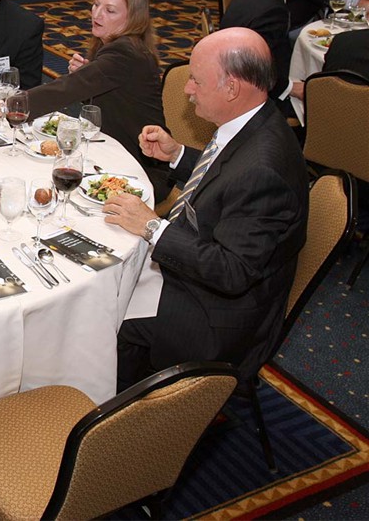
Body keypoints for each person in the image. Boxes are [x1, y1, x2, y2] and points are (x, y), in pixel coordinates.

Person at [102, 28, 308, 391]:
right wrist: (178, 155)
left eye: (196, 80)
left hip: (215, 314)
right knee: (105, 274)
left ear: (232, 89)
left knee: (99, 313)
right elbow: (228, 178)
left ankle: (115, 413)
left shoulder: (264, 169)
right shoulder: (254, 122)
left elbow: (231, 272)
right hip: (199, 266)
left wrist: (153, 227)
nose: (187, 89)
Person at [0, 0, 170, 198]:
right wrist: (90, 74)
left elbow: (65, 89)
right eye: (95, 4)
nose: (97, 14)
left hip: (138, 166)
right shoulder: (116, 44)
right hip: (110, 147)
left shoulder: (125, 52)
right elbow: (104, 94)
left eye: (110, 10)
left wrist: (2, 107)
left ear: (134, 17)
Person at [220, 0, 319, 116]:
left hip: (227, 65)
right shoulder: (274, 11)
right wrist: (290, 88)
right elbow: (259, 66)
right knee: (317, 108)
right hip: (242, 86)